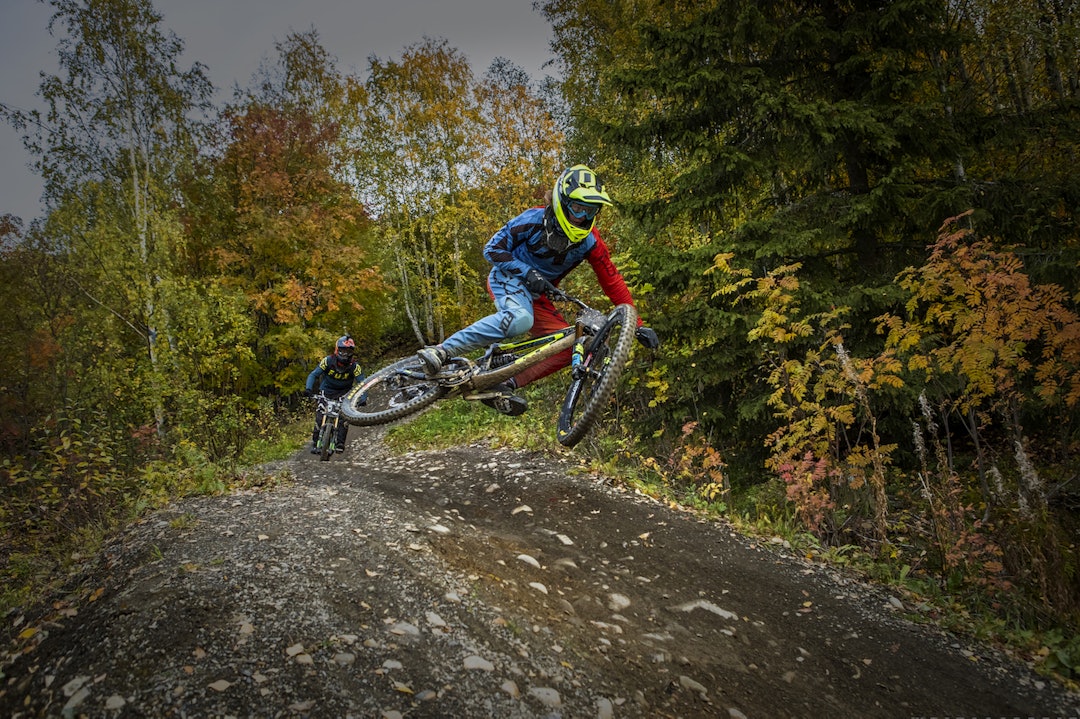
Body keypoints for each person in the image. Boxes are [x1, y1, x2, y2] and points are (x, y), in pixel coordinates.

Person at [416, 164, 659, 416]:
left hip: (538, 295)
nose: (582, 217)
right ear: (562, 202)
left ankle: (501, 385)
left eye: (590, 210)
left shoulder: (590, 241)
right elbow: (492, 249)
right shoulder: (532, 220)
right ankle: (443, 350)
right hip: (507, 278)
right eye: (577, 207)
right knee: (520, 320)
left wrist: (637, 325)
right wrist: (527, 272)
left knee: (572, 347)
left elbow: (612, 280)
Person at [305, 335, 364, 453]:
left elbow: (363, 383)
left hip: (344, 394)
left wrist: (363, 397)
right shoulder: (327, 361)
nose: (345, 354)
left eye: (348, 351)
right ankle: (315, 442)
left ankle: (340, 443)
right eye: (342, 350)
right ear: (337, 349)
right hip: (326, 391)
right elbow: (314, 374)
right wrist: (308, 389)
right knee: (319, 416)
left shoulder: (355, 367)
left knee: (344, 418)